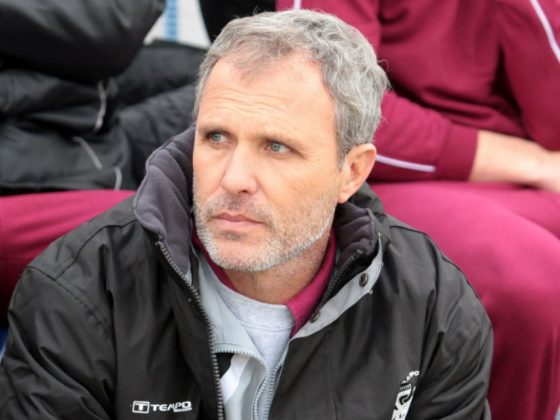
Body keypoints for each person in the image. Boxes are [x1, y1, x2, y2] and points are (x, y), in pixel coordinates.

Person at [0, 10, 492, 419]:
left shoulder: (433, 306)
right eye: (216, 138)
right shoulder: (77, 294)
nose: (234, 178)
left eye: (276, 147)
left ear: (352, 172)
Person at [270, 1, 560, 419]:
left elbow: (552, 126)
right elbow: (324, 101)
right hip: (373, 176)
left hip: (516, 174)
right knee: (531, 278)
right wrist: (533, 163)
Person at [0, 0, 206, 327]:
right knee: (171, 228)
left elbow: (118, 22)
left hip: (88, 132)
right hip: (40, 174)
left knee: (241, 79)